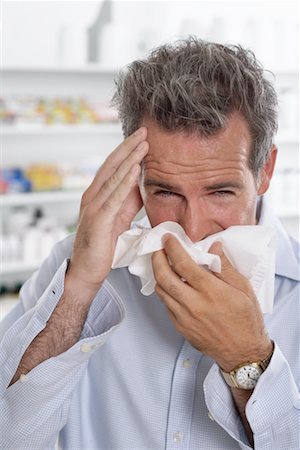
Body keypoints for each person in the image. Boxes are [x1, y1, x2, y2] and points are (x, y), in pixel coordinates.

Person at [0, 38, 299, 450]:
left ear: (265, 171)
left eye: (220, 193)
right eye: (166, 193)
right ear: (134, 176)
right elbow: (10, 434)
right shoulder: (79, 268)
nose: (192, 230)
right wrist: (79, 290)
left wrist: (248, 360)